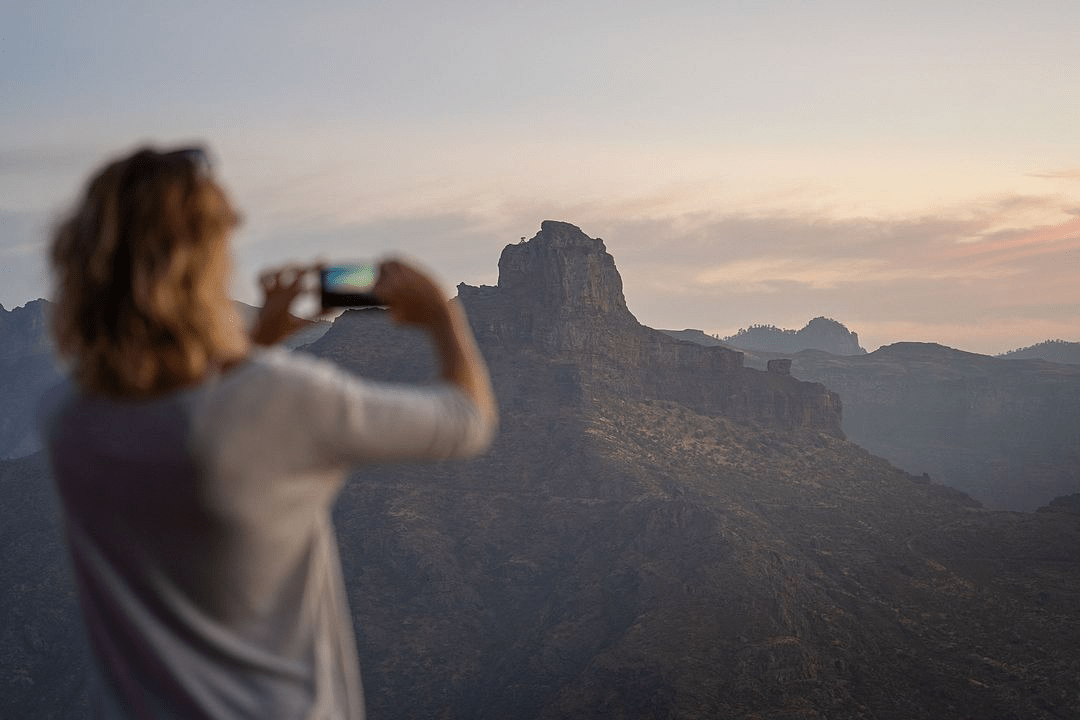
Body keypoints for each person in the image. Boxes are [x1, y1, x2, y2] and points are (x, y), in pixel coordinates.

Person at [39, 146, 497, 719]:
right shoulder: (283, 398)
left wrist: (256, 346)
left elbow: (187, 422)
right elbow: (465, 421)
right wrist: (440, 315)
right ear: (200, 263)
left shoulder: (65, 417)